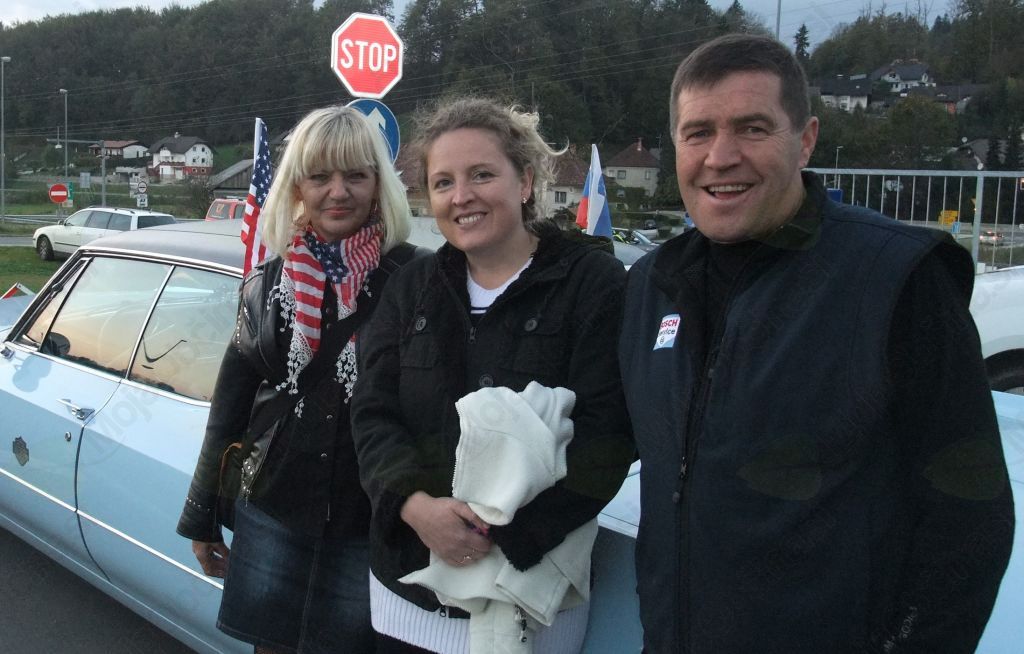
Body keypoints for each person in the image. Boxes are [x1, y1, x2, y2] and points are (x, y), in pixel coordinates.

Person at [618, 33, 1015, 653]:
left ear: (805, 140)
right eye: (698, 133)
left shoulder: (894, 279)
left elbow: (970, 517)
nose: (720, 157)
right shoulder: (652, 285)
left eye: (752, 129)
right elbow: (607, 437)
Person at [350, 97, 634, 653]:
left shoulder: (592, 284)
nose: (461, 196)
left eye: (482, 174)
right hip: (409, 592)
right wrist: (412, 505)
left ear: (525, 181)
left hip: (533, 596)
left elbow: (611, 431)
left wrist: (510, 534)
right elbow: (372, 411)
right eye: (443, 182)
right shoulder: (411, 287)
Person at [176, 104, 413, 654]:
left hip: (368, 519)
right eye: (320, 176)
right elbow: (230, 409)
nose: (338, 192)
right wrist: (202, 517)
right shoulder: (266, 282)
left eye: (355, 175)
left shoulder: (414, 279)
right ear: (297, 186)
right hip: (273, 510)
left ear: (378, 184)